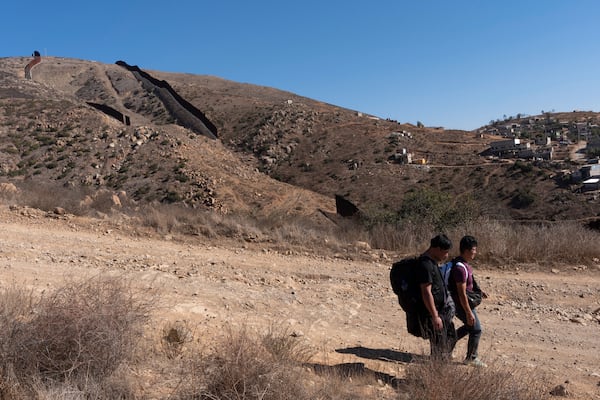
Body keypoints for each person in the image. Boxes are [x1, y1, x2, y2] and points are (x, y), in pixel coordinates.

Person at [414, 234, 456, 359]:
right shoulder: (425, 265)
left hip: (440, 312)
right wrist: (435, 315)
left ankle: (439, 364)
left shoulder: (431, 263)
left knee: (449, 336)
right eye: (445, 252)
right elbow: (426, 292)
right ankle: (438, 368)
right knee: (440, 343)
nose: (447, 255)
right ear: (437, 249)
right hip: (434, 313)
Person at [449, 235, 487, 367]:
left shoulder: (464, 264)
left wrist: (479, 292)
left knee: (470, 327)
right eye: (473, 250)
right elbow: (461, 293)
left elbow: (469, 284)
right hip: (461, 303)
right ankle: (471, 358)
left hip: (464, 301)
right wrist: (468, 312)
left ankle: (448, 341)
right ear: (466, 250)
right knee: (476, 329)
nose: (475, 252)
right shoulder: (460, 268)